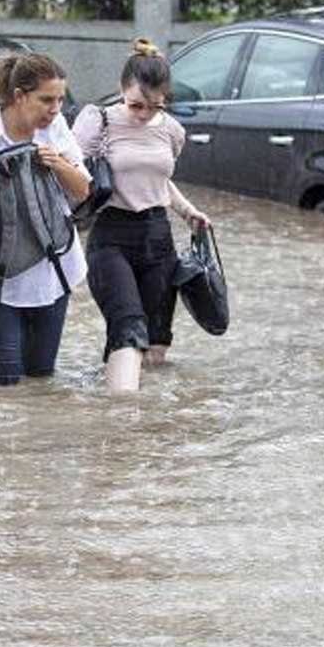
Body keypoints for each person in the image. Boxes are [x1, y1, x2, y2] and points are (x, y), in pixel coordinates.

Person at [73, 39, 210, 392]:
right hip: (110, 236)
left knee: (155, 343)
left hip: (158, 237)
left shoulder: (171, 130)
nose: (143, 114)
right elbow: (69, 172)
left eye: (154, 106)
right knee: (129, 326)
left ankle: (139, 431)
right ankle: (123, 419)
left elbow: (160, 182)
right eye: (135, 105)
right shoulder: (97, 121)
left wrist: (188, 211)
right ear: (121, 89)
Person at [0, 53, 92, 385]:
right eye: (46, 100)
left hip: (53, 274)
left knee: (41, 383)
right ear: (19, 96)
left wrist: (58, 164)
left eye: (60, 100)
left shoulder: (56, 128)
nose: (55, 109)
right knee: (3, 385)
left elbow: (82, 191)